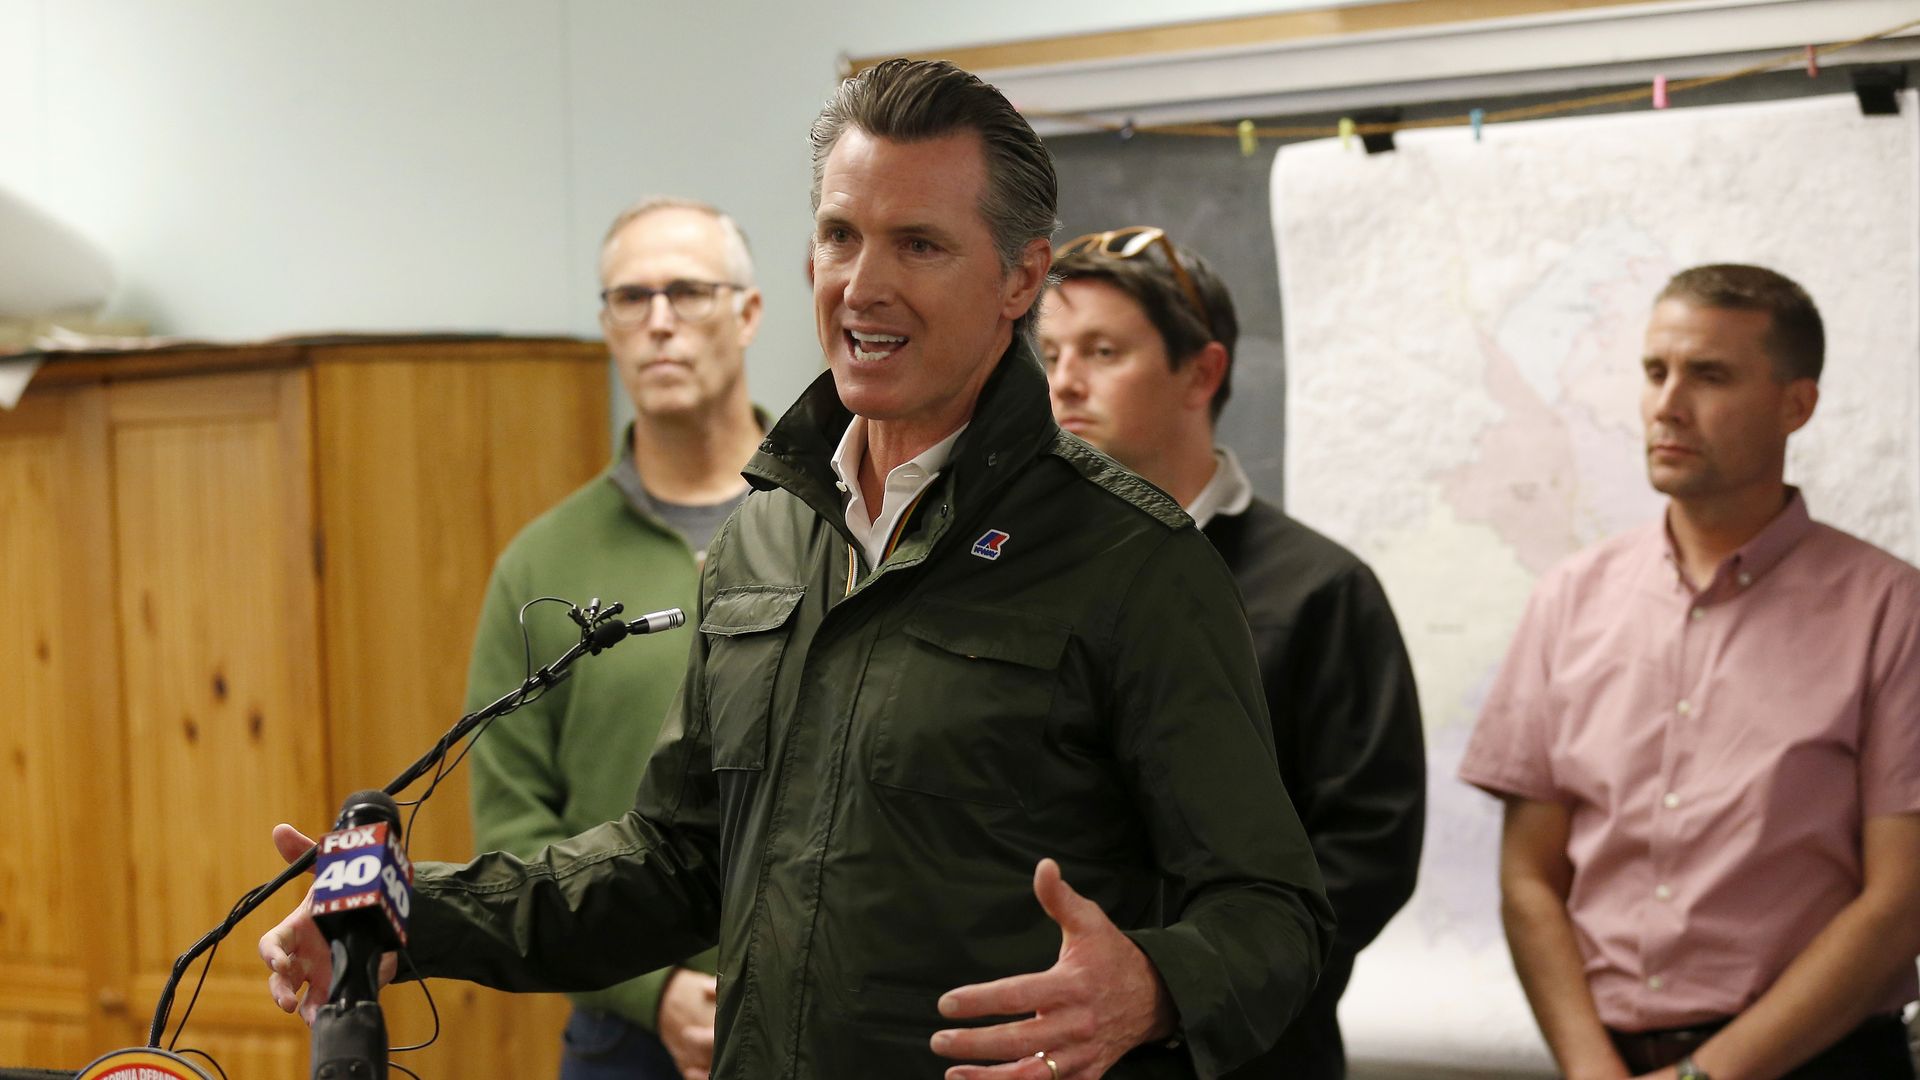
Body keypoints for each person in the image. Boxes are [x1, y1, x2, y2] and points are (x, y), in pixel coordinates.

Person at [262, 59, 1332, 1079]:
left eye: (919, 245)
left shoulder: (1132, 560)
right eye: (838, 236)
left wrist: (1151, 985)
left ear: (1020, 277)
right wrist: (412, 914)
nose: (864, 286)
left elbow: (1273, 913)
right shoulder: (766, 535)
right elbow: (677, 863)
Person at [1458, 264, 1920, 1080]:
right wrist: (1589, 1069)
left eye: (1709, 376)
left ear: (1796, 404)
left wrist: (1709, 1078)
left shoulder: (1892, 610)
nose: (1668, 404)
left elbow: (1899, 902)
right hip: (1606, 1062)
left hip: (1821, 1064)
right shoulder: (1570, 597)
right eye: (1654, 371)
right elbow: (1530, 876)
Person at [1038, 232, 1425, 1080]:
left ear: (1201, 373)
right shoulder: (1016, 579)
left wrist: (1179, 987)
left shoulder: (1319, 590)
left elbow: (1367, 852)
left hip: (1241, 1053)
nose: (1064, 381)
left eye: (1103, 352)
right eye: (1051, 353)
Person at [463, 197, 771, 1079]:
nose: (660, 324)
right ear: (606, 326)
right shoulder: (543, 566)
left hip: (832, 1014)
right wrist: (652, 988)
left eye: (688, 292)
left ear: (748, 313)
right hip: (628, 1033)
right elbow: (515, 829)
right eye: (631, 299)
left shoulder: (840, 519)